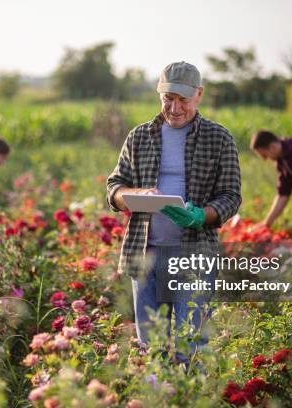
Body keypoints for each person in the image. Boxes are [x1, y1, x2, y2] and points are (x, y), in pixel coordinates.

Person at [106, 62, 241, 361]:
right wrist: (137, 195)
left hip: (192, 254)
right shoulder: (139, 136)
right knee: (150, 348)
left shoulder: (218, 138)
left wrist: (199, 215)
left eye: (183, 99)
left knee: (190, 347)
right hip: (145, 253)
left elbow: (231, 196)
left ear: (199, 94)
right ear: (159, 94)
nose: (175, 107)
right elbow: (114, 187)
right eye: (168, 98)